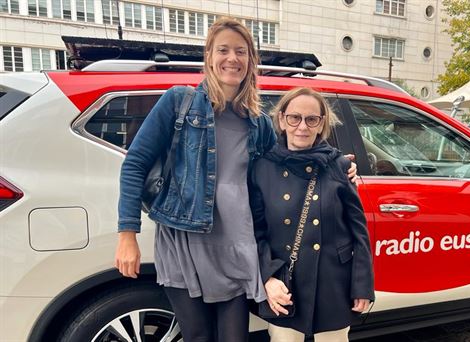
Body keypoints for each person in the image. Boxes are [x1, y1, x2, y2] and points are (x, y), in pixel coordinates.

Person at [114, 18, 357, 342]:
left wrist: (337, 166)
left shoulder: (258, 123)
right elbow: (135, 164)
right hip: (186, 243)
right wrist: (126, 233)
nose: (232, 58)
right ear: (209, 57)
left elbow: (291, 161)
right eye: (223, 49)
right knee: (198, 335)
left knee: (234, 338)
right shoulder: (179, 102)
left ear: (250, 61)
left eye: (240, 51)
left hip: (237, 247)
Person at [250, 87, 375, 342]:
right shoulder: (263, 168)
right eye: (295, 118)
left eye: (312, 119)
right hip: (286, 286)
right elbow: (255, 232)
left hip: (332, 283)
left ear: (321, 124)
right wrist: (267, 278)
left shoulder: (339, 165)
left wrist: (362, 284)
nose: (302, 127)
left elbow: (358, 230)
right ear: (282, 119)